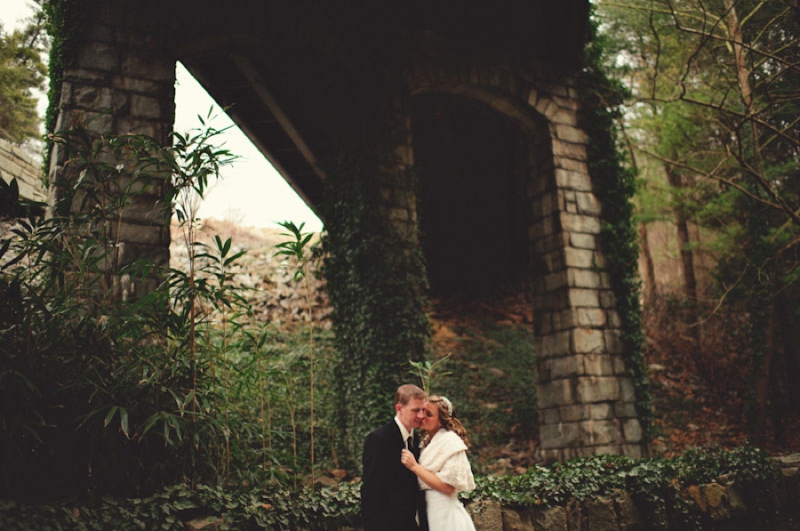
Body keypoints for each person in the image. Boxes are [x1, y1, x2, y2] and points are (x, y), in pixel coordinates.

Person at [401, 395, 476, 531]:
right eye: (422, 411)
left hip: (445, 516)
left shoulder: (451, 442)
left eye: (428, 414)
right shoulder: (424, 442)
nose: (422, 416)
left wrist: (414, 466)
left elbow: (448, 487)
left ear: (441, 421)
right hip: (426, 512)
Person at [361, 384, 428, 531]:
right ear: (399, 409)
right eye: (416, 410)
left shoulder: (416, 439)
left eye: (423, 410)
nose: (421, 416)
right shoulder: (378, 439)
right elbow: (371, 492)